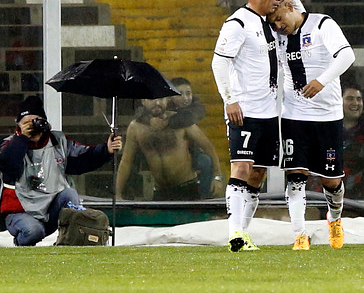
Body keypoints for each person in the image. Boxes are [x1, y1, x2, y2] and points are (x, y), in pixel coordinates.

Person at [267, 0, 355, 250]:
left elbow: (347, 56)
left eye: (280, 19)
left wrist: (321, 81)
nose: (278, 26)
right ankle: (299, 235)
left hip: (327, 117)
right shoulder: (279, 36)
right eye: (273, 24)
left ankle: (335, 219)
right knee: (296, 175)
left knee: (332, 181)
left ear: (291, 6)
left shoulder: (322, 24)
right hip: (294, 115)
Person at [211, 0, 283, 252]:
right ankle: (235, 233)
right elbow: (220, 62)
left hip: (270, 111)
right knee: (241, 167)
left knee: (258, 173)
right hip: (245, 110)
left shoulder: (268, 23)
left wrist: (290, 1)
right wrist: (230, 99)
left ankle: (244, 234)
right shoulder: (237, 23)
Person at [0, 96, 122, 246]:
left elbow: (84, 158)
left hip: (50, 209)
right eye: (26, 123)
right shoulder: (9, 144)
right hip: (21, 212)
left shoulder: (58, 142)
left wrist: (106, 150)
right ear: (18, 126)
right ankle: (21, 245)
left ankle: (72, 241)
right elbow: (7, 165)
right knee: (33, 231)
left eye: (37, 122)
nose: (33, 127)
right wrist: (22, 139)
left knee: (70, 194)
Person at [116, 96, 222, 201]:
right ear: (143, 101)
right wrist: (118, 194)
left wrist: (217, 177)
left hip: (187, 188)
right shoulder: (136, 127)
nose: (157, 102)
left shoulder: (182, 121)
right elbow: (126, 162)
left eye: (161, 99)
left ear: (167, 100)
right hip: (160, 191)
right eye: (152, 99)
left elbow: (208, 147)